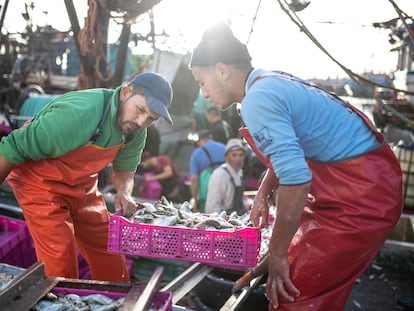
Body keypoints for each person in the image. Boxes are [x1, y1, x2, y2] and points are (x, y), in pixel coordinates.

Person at [189, 22, 402, 310]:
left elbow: (297, 179)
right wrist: (264, 193)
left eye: (202, 82)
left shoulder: (257, 100)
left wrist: (278, 255)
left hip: (360, 199)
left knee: (292, 294)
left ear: (222, 70)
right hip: (363, 188)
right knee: (294, 273)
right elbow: (288, 152)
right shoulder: (268, 81)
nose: (203, 93)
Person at [0, 72, 174, 281]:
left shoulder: (136, 131)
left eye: (151, 119)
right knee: (61, 259)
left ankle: (116, 299)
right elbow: (11, 147)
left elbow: (125, 169)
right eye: (140, 110)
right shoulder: (79, 115)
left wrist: (124, 192)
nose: (141, 121)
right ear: (125, 93)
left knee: (108, 248)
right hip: (39, 182)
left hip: (82, 184)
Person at [206, 138, 249, 215]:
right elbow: (212, 207)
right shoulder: (219, 175)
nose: (238, 159)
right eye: (234, 155)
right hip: (224, 220)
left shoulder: (239, 173)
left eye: (241, 155)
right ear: (226, 157)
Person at [189, 129, 226, 212]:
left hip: (206, 191)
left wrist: (195, 198)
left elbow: (194, 178)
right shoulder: (225, 148)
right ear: (211, 138)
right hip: (225, 187)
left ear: (199, 141)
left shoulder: (197, 153)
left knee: (207, 218)